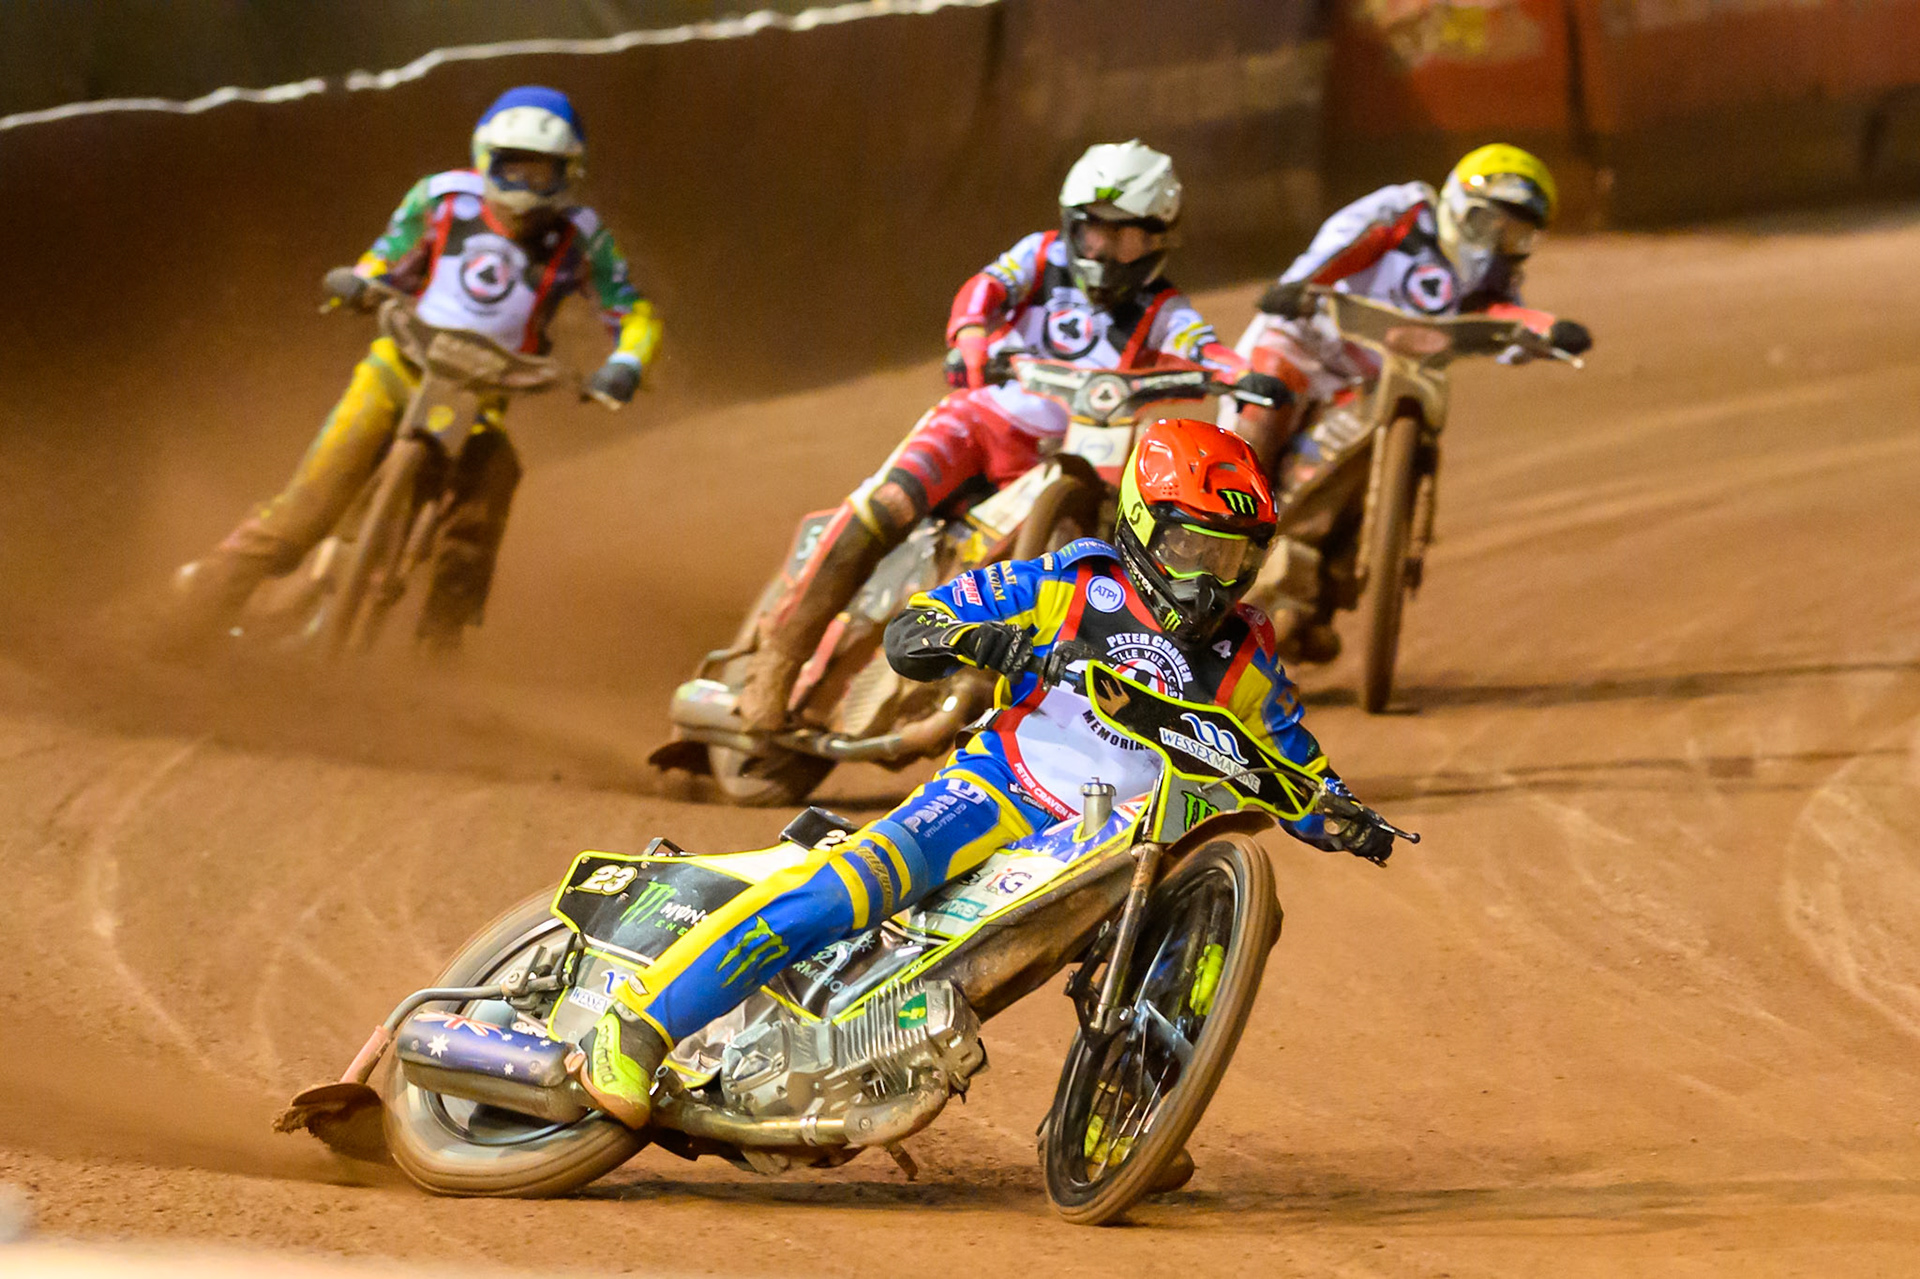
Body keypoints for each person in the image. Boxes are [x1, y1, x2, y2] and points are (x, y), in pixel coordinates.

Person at [576, 417, 1391, 1132]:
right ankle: (638, 1027)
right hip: (998, 790)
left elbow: (1298, 766)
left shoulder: (1247, 650)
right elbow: (917, 627)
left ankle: (1138, 1106)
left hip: (1115, 839)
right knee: (849, 887)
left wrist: (1346, 816)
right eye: (1193, 549)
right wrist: (990, 642)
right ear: (1146, 526)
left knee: (1206, 923)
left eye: (1234, 558)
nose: (1210, 578)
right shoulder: (1075, 582)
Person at [734, 139, 1290, 731]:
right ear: (1072, 224)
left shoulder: (1164, 308)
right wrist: (971, 333)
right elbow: (986, 289)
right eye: (1094, 231)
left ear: (1157, 238)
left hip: (1074, 453)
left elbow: (1204, 349)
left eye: (1125, 235)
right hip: (981, 421)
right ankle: (779, 659)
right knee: (886, 505)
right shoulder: (1039, 256)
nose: (1106, 248)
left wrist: (1243, 374)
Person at [170, 85, 662, 651]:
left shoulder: (583, 239)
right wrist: (360, 282)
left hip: (484, 399)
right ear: (485, 160)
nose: (524, 189)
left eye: (541, 175)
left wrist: (625, 362)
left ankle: (440, 641)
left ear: (568, 174)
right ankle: (199, 604)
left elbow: (634, 309)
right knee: (305, 511)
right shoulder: (441, 199)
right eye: (512, 170)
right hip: (397, 370)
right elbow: (389, 255)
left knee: (489, 490)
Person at [1222, 143, 1591, 661]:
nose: (1494, 244)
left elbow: (1505, 319)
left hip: (1375, 378)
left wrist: (1547, 330)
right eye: (1489, 223)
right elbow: (1335, 251)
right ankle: (1198, 574)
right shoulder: (1401, 211)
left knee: (1348, 467)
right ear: (1459, 202)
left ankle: (1307, 599)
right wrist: (1302, 286)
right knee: (1248, 444)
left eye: (1516, 234)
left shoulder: (1493, 276)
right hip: (1302, 339)